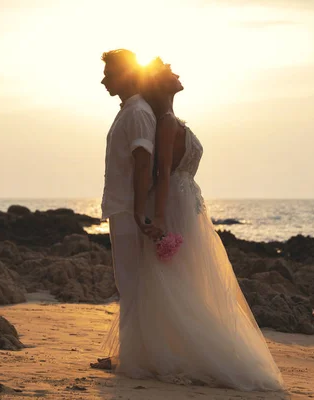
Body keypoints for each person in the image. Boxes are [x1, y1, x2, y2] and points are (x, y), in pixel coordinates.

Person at [100, 58, 285, 392]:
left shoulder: (164, 119)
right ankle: (143, 353)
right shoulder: (164, 122)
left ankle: (147, 353)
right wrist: (155, 215)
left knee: (180, 279)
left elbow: (158, 171)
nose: (178, 74)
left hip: (183, 204)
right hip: (172, 204)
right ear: (160, 82)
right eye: (170, 71)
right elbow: (160, 173)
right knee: (167, 280)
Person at [90, 49, 156, 371]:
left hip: (129, 209)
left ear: (127, 74)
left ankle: (133, 360)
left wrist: (139, 212)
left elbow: (144, 163)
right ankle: (130, 355)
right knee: (128, 282)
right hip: (123, 207)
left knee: (131, 283)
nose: (104, 79)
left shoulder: (137, 113)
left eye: (110, 73)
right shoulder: (130, 111)